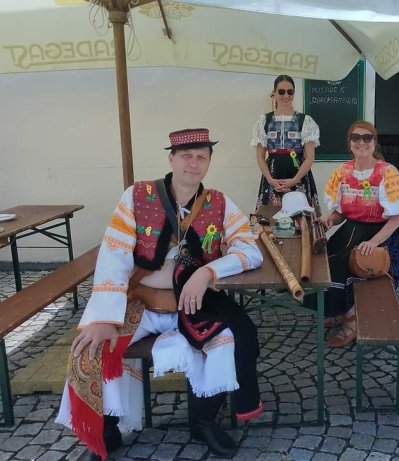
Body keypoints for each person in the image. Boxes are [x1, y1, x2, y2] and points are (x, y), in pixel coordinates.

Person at [56, 128, 264, 460]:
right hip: (137, 302)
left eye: (201, 157)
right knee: (93, 345)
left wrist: (207, 271)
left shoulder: (219, 202)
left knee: (229, 342)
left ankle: (203, 422)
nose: (193, 164)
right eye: (186, 156)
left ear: (209, 163)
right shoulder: (137, 196)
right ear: (171, 158)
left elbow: (250, 252)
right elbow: (114, 255)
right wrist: (106, 318)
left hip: (192, 304)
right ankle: (107, 429)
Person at [319, 120, 399, 347]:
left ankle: (353, 320)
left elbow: (396, 219)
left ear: (374, 142)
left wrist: (373, 242)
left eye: (367, 137)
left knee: (349, 265)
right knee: (328, 261)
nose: (361, 142)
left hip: (381, 236)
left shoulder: (387, 172)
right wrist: (328, 221)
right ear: (350, 143)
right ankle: (340, 312)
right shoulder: (342, 172)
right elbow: (340, 214)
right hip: (350, 231)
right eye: (356, 138)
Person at [251, 74, 320, 211]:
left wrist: (295, 180)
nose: (286, 95)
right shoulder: (264, 121)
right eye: (281, 91)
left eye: (290, 91)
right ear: (274, 93)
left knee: (300, 220)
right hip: (272, 176)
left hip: (299, 176)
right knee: (271, 219)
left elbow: (310, 157)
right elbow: (260, 156)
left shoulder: (305, 121)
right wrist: (270, 180)